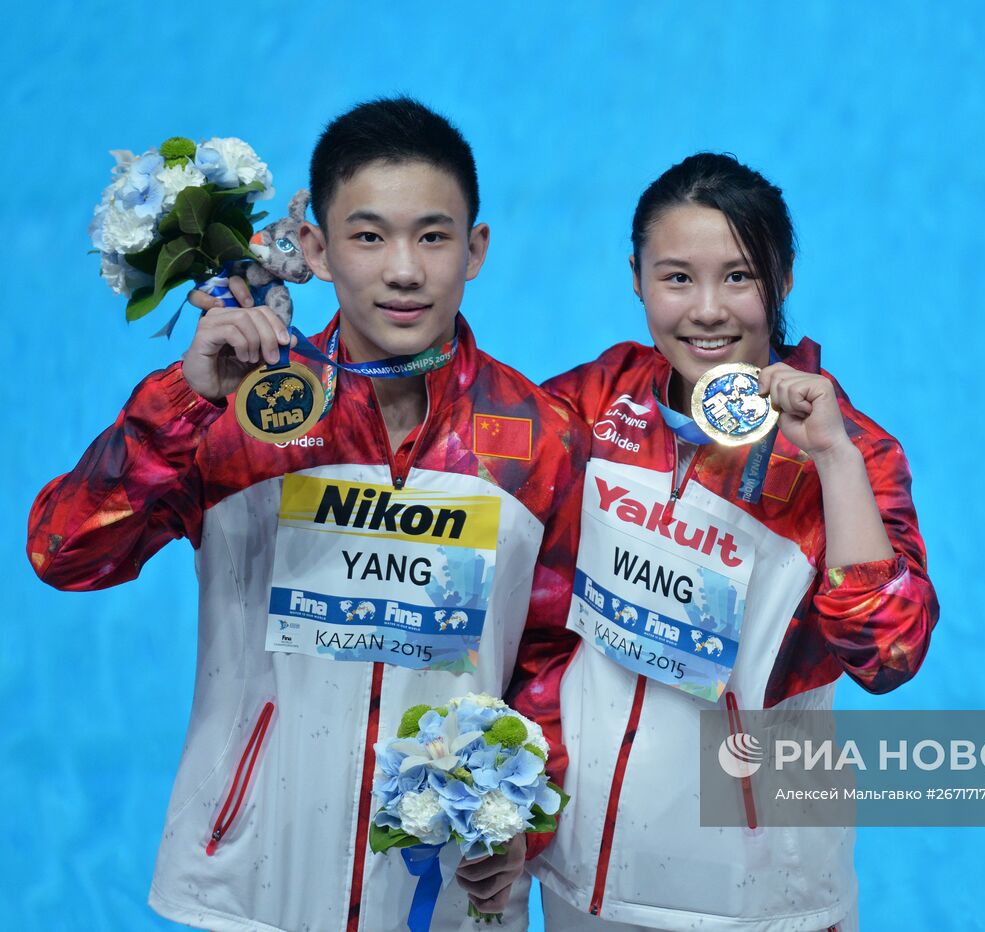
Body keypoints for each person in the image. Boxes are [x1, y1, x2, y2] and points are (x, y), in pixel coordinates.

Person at [27, 97, 583, 931]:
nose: (403, 270)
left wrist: (524, 828)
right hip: (249, 883)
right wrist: (182, 403)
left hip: (447, 896)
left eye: (433, 237)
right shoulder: (232, 416)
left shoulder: (538, 439)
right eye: (368, 236)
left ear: (476, 250)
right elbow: (65, 553)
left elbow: (553, 665)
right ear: (317, 250)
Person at [528, 153, 939, 930]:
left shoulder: (851, 451)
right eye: (677, 277)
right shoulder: (590, 401)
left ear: (782, 281)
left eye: (740, 278)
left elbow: (890, 652)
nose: (707, 310)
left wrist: (834, 459)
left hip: (756, 896)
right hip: (586, 876)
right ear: (637, 277)